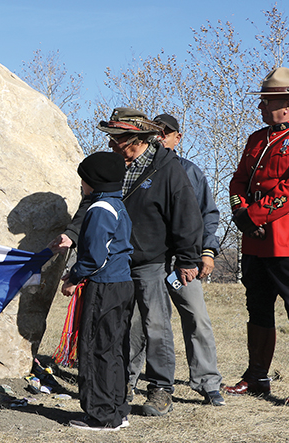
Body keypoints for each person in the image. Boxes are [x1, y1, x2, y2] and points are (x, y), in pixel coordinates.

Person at [51, 108, 203, 417]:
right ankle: (121, 385)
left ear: (132, 139)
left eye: (114, 138)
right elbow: (90, 205)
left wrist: (188, 258)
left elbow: (187, 217)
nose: (109, 144)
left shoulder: (169, 170)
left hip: (150, 262)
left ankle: (161, 389)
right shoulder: (112, 166)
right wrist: (72, 234)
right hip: (113, 265)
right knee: (121, 327)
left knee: (155, 325)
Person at [224, 67, 289, 407]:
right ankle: (256, 377)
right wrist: (242, 214)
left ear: (287, 103)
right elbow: (238, 181)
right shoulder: (256, 139)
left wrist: (254, 215)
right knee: (258, 309)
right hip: (255, 240)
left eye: (266, 101)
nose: (261, 107)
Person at [126, 113, 224, 406]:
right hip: (148, 260)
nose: (160, 136)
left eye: (166, 132)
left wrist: (206, 252)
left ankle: (207, 383)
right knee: (142, 321)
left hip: (183, 262)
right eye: (155, 132)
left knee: (196, 317)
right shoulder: (138, 170)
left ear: (177, 137)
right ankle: (130, 378)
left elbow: (205, 216)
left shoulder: (189, 171)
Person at [54, 152, 133, 432]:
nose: (82, 186)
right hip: (122, 284)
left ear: (92, 183)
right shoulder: (117, 205)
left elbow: (95, 257)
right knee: (114, 349)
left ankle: (100, 415)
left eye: (83, 181)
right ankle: (117, 409)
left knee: (95, 348)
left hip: (104, 287)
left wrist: (73, 276)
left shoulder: (99, 209)